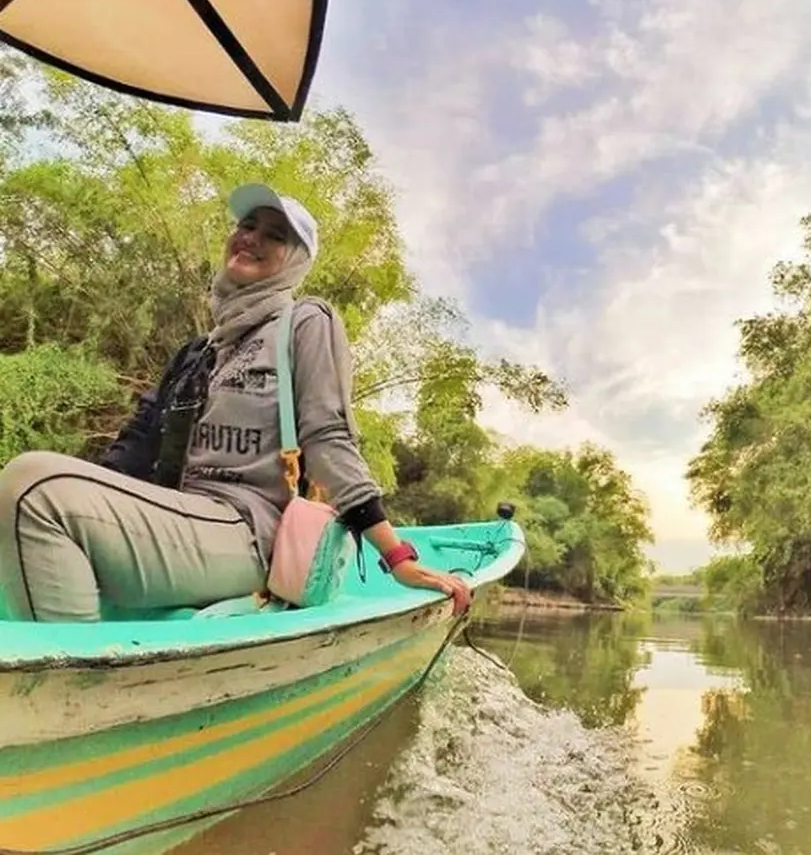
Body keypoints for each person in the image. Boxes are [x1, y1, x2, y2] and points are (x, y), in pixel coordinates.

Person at [0, 183, 471, 622]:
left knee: (31, 486)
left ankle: (82, 695)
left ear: (296, 261)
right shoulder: (198, 352)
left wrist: (396, 556)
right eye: (247, 226)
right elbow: (136, 446)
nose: (251, 238)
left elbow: (328, 440)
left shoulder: (305, 322)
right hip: (180, 521)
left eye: (275, 235)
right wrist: (99, 502)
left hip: (252, 531)